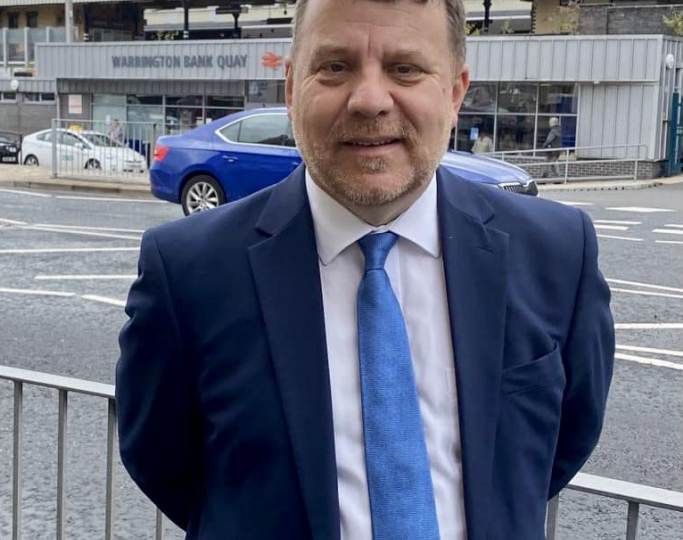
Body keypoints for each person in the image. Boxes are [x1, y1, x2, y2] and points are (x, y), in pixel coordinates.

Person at [115, 1, 614, 539]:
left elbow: (561, 444)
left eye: (405, 68)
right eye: (334, 66)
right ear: (290, 88)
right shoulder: (188, 270)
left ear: (454, 92)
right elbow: (161, 462)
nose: (370, 100)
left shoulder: (558, 253)